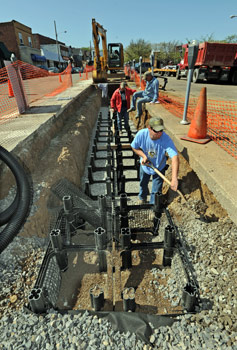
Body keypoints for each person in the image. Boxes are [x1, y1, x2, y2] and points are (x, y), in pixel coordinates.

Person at [131, 116, 179, 204]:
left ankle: (153, 207)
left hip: (159, 167)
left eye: (161, 130)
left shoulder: (166, 139)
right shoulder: (141, 134)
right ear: (149, 128)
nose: (159, 133)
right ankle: (142, 197)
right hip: (145, 166)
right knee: (143, 183)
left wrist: (174, 179)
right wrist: (143, 156)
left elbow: (175, 157)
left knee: (156, 191)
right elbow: (134, 147)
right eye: (157, 131)